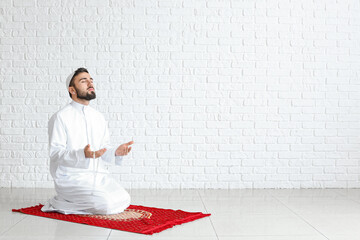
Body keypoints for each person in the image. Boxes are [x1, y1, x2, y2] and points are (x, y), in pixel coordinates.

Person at [42, 67, 133, 215]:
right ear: (72, 90)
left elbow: (103, 149)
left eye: (91, 80)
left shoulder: (98, 117)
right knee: (107, 205)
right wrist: (82, 154)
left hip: (97, 176)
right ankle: (61, 201)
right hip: (71, 179)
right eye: (84, 81)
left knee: (125, 198)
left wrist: (115, 151)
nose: (90, 83)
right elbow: (55, 153)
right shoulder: (60, 117)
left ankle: (82, 201)